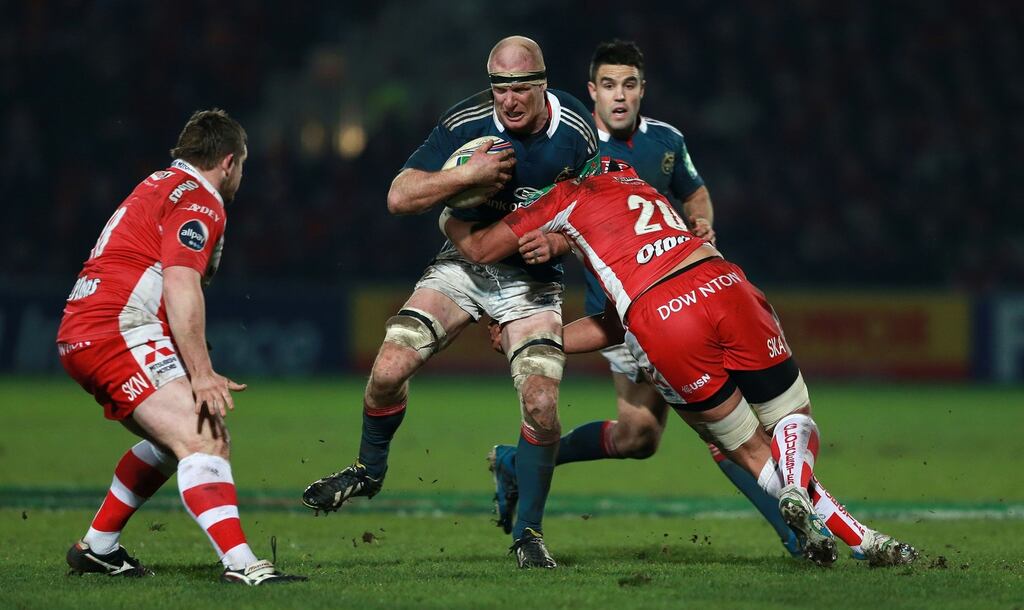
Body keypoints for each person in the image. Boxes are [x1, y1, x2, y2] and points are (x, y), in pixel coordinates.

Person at [441, 166, 919, 567]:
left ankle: (843, 527)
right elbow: (688, 201)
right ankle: (855, 532)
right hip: (720, 282)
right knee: (793, 421)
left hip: (658, 314)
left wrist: (449, 215)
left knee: (749, 451)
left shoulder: (559, 198)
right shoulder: (629, 172)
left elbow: (482, 248)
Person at [487, 39, 803, 557]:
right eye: (609, 85)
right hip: (625, 312)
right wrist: (549, 248)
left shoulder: (667, 141)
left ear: (642, 90)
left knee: (640, 437)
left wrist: (702, 221)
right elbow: (557, 214)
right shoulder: (576, 146)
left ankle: (514, 462)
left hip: (675, 299)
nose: (619, 95)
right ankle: (797, 533)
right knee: (720, 427)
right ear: (592, 92)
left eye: (629, 85)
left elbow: (694, 191)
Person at [300, 36, 599, 569]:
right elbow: (398, 196)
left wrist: (559, 243)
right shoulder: (466, 122)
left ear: (543, 83)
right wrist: (467, 176)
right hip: (463, 264)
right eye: (499, 87)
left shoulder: (576, 130)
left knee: (542, 405)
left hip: (532, 281)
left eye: (520, 87)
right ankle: (368, 471)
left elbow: (599, 213)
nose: (508, 99)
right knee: (388, 369)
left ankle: (528, 533)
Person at [57, 109, 305, 585]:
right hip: (116, 329)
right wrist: (202, 372)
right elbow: (180, 282)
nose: (241, 174)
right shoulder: (201, 199)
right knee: (205, 438)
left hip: (88, 325)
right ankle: (242, 565)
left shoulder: (160, 183)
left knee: (171, 442)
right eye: (243, 164)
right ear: (229, 162)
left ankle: (98, 548)